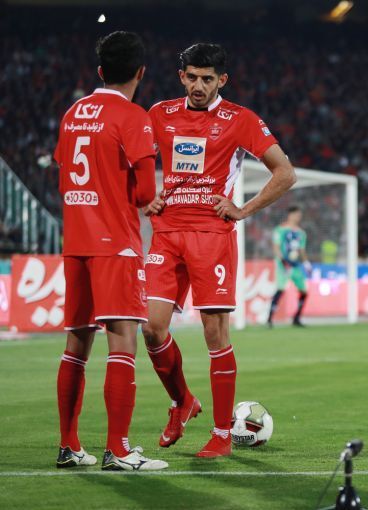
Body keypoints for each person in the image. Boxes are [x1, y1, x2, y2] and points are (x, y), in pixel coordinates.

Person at [142, 43, 296, 458]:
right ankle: (182, 402)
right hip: (166, 233)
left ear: (222, 80)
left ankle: (222, 434)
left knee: (215, 333)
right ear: (181, 76)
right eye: (191, 77)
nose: (198, 85)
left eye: (207, 79)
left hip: (212, 235)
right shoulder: (159, 114)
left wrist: (243, 209)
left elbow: (285, 173)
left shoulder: (240, 119)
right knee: (151, 329)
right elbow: (132, 161)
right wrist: (144, 196)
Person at [54, 31, 167, 471]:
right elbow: (145, 193)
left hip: (76, 243)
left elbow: (65, 171)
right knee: (122, 341)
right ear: (140, 72)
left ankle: (69, 446)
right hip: (115, 245)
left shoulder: (73, 113)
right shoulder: (133, 116)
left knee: (76, 343)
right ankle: (118, 450)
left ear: (100, 70)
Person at [267, 206, 311, 328]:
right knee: (280, 289)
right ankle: (269, 319)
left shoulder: (301, 233)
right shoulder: (280, 230)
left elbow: (301, 250)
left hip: (296, 265)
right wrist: (282, 261)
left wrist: (306, 263)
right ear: (290, 215)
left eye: (299, 215)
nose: (298, 217)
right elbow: (276, 247)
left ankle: (297, 318)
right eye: (296, 215)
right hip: (283, 265)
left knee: (304, 291)